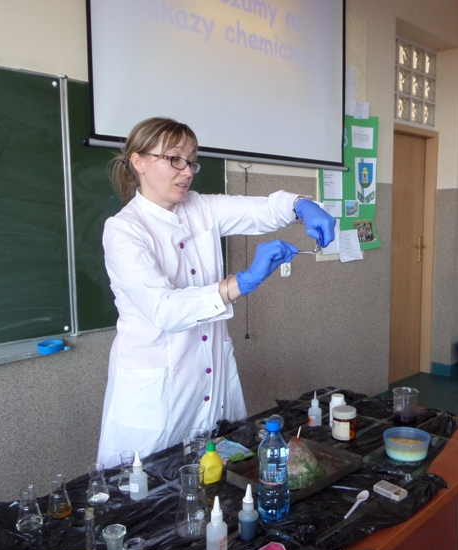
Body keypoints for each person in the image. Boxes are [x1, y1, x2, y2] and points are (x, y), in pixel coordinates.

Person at [96, 117, 336, 465]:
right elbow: (165, 310)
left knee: (219, 476)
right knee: (150, 484)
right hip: (157, 397)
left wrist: (299, 205)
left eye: (191, 161)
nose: (187, 171)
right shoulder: (124, 231)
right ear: (139, 161)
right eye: (174, 159)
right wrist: (242, 282)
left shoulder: (199, 207)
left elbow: (261, 210)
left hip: (211, 383)